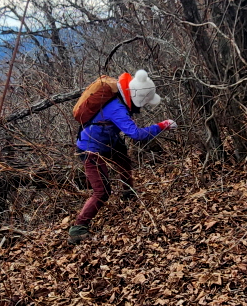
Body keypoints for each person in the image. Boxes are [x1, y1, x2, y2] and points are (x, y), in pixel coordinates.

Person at [68, 69, 177, 244]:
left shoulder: (118, 101)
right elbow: (137, 135)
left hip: (107, 141)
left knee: (123, 158)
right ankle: (78, 229)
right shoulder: (117, 108)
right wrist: (162, 125)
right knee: (102, 191)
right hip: (90, 149)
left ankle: (127, 192)